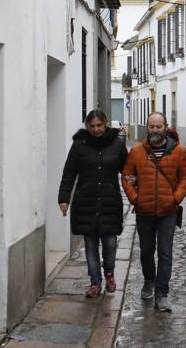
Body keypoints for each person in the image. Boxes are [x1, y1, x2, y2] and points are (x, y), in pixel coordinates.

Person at [121, 111, 186, 313]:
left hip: (168, 212)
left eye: (159, 126)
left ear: (166, 127)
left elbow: (185, 177)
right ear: (147, 127)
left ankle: (162, 294)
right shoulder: (136, 152)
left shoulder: (179, 152)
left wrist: (175, 198)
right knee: (146, 251)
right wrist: (135, 199)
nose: (155, 130)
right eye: (152, 126)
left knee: (165, 252)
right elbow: (126, 176)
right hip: (144, 212)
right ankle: (149, 280)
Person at [58, 109, 127, 298]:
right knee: (90, 243)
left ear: (105, 124)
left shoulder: (117, 144)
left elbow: (127, 170)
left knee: (110, 241)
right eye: (92, 126)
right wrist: (64, 199)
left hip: (110, 200)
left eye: (99, 125)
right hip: (86, 201)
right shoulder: (79, 145)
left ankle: (110, 272)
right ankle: (95, 282)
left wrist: (135, 189)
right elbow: (69, 173)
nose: (96, 129)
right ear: (87, 127)